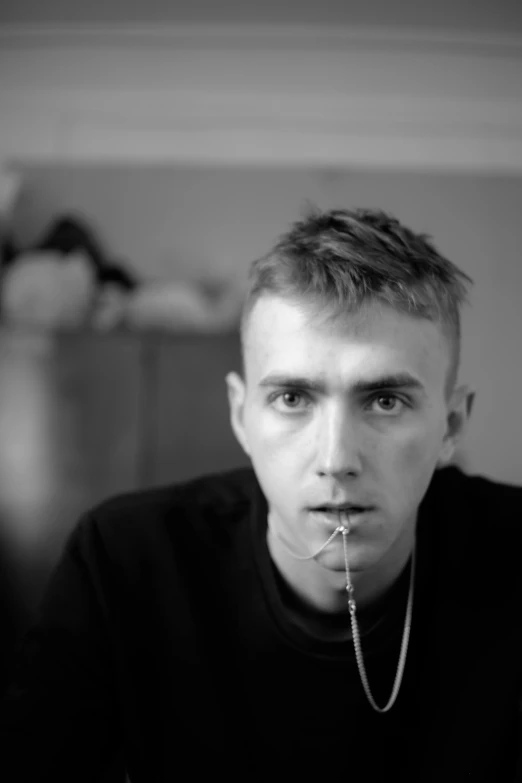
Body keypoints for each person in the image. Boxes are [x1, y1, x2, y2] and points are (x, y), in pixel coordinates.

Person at [1, 207, 521, 782]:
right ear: (240, 416)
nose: (336, 460)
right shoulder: (124, 559)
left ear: (450, 426)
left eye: (385, 401)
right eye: (294, 400)